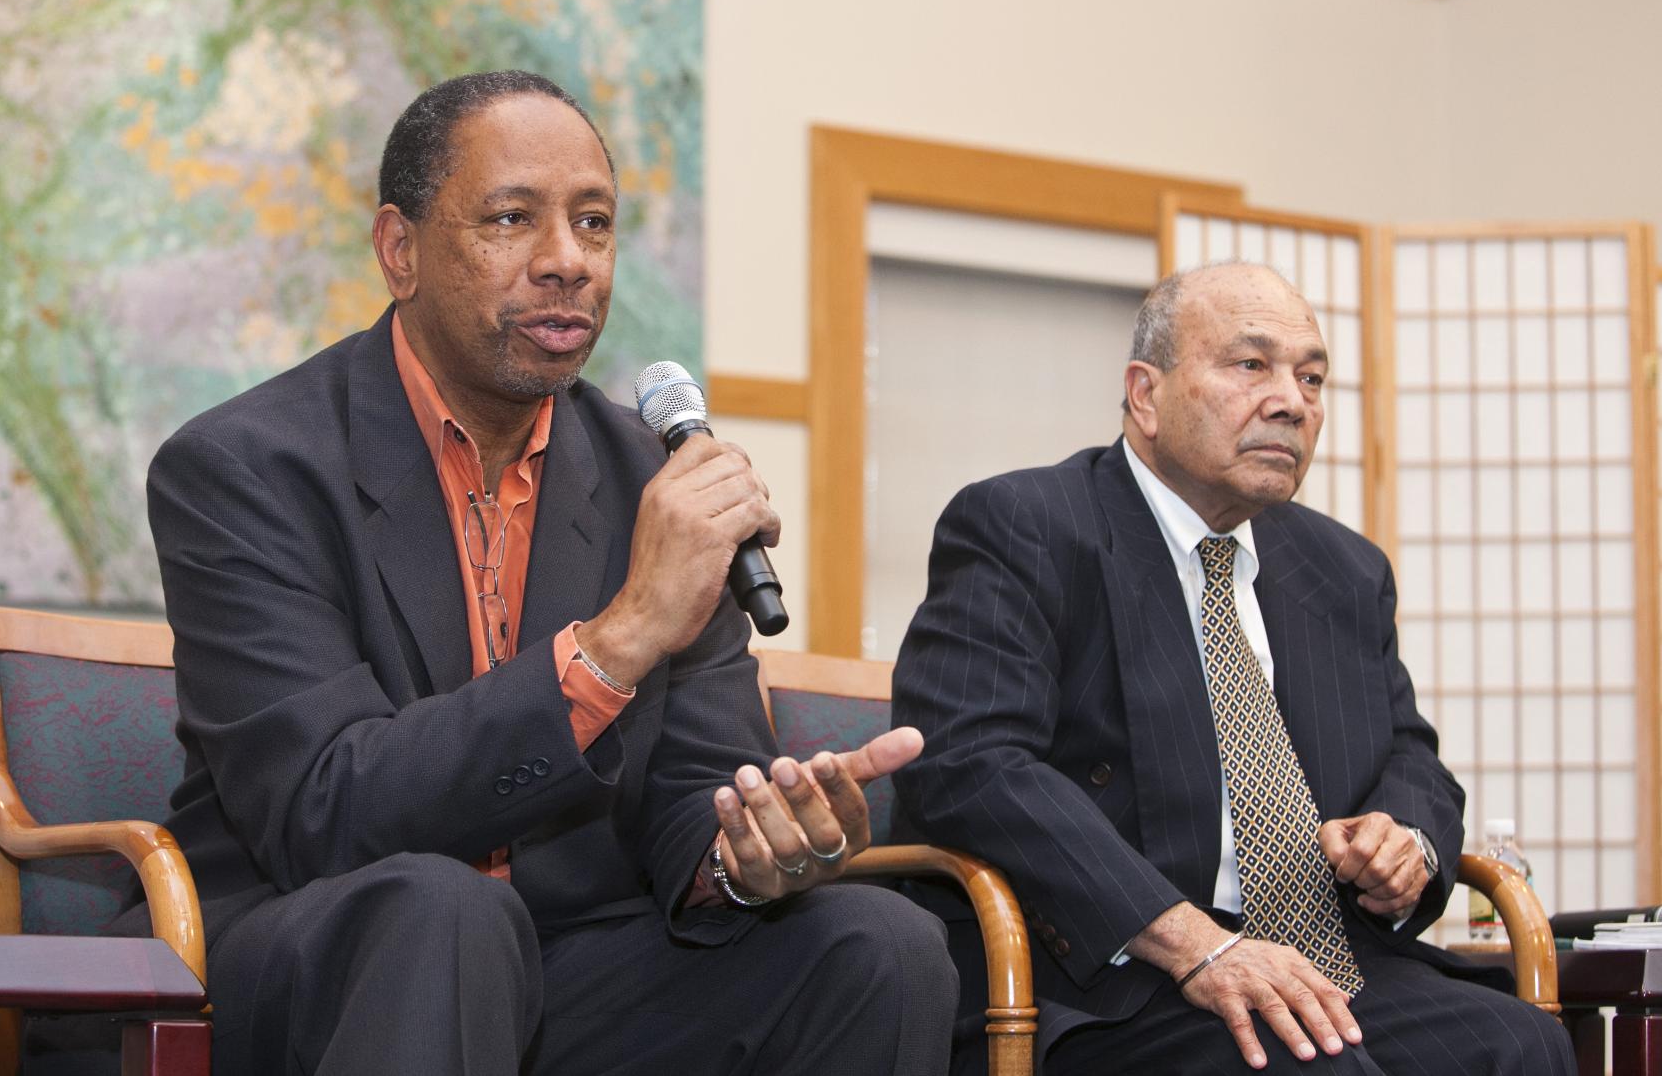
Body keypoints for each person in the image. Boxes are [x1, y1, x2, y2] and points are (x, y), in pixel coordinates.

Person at [144, 71, 957, 1075]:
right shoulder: (248, 467)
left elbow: (689, 797)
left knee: (878, 947)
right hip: (320, 950)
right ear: (399, 250)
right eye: (511, 219)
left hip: (567, 962)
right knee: (448, 912)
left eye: (594, 224)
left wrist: (746, 855)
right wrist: (618, 638)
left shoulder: (650, 482)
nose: (566, 262)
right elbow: (325, 810)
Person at [891, 262, 1573, 1075]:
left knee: (1522, 1042)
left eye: (1311, 376)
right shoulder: (1025, 524)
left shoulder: (1342, 568)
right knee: (1302, 1064)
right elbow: (969, 764)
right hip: (1108, 977)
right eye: (1251, 365)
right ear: (1145, 394)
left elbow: (1409, 754)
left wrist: (1406, 839)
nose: (1291, 400)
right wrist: (1194, 942)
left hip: (1317, 958)